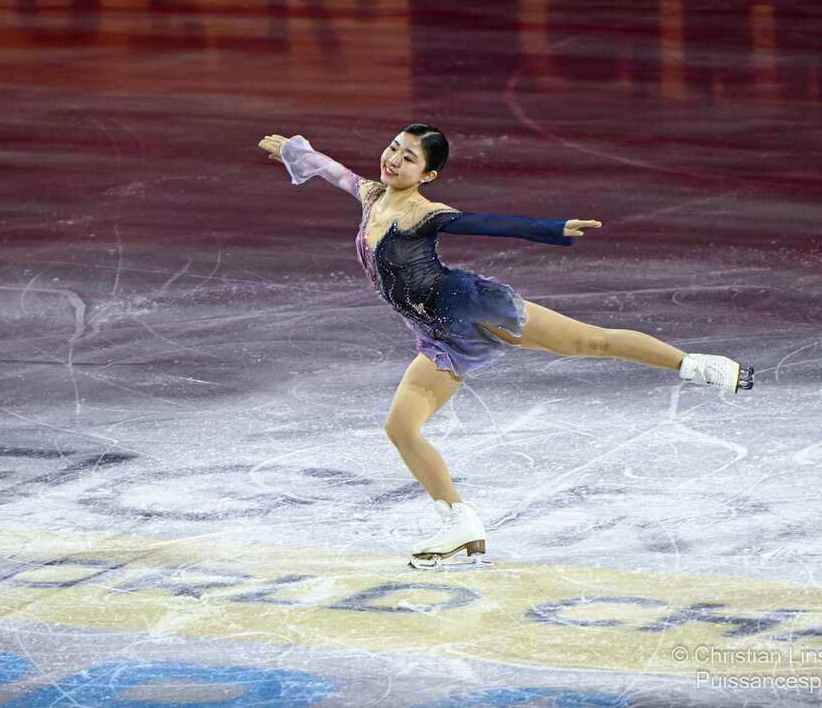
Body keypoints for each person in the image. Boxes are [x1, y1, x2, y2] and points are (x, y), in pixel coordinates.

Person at [259, 125, 752, 566]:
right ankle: (459, 522)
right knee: (401, 427)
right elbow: (337, 173)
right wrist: (296, 153)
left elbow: (488, 222)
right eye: (394, 148)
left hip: (469, 307)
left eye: (409, 157)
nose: (394, 159)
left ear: (427, 175)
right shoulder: (372, 196)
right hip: (435, 332)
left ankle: (698, 366)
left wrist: (553, 229)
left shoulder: (423, 213)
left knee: (588, 341)